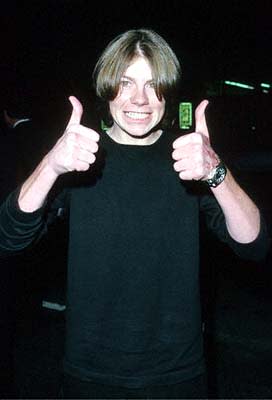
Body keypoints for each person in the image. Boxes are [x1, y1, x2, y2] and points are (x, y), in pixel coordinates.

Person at [0, 29, 269, 399]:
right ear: (107, 87)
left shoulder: (187, 160)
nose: (139, 100)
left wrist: (215, 172)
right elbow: (9, 238)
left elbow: (254, 243)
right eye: (125, 83)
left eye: (152, 84)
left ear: (167, 91)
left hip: (177, 375)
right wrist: (51, 166)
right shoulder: (81, 158)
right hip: (89, 374)